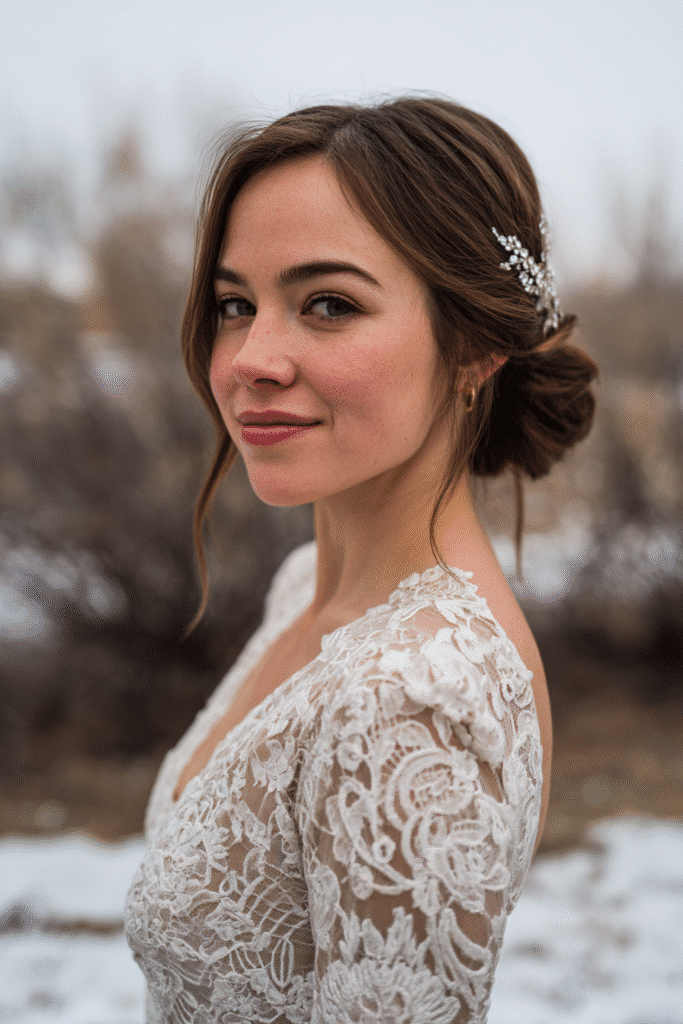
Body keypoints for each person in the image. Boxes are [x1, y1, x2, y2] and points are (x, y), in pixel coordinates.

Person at [124, 96, 597, 1023]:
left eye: (327, 304)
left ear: (473, 348)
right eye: (234, 304)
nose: (251, 358)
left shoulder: (413, 699)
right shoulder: (309, 591)